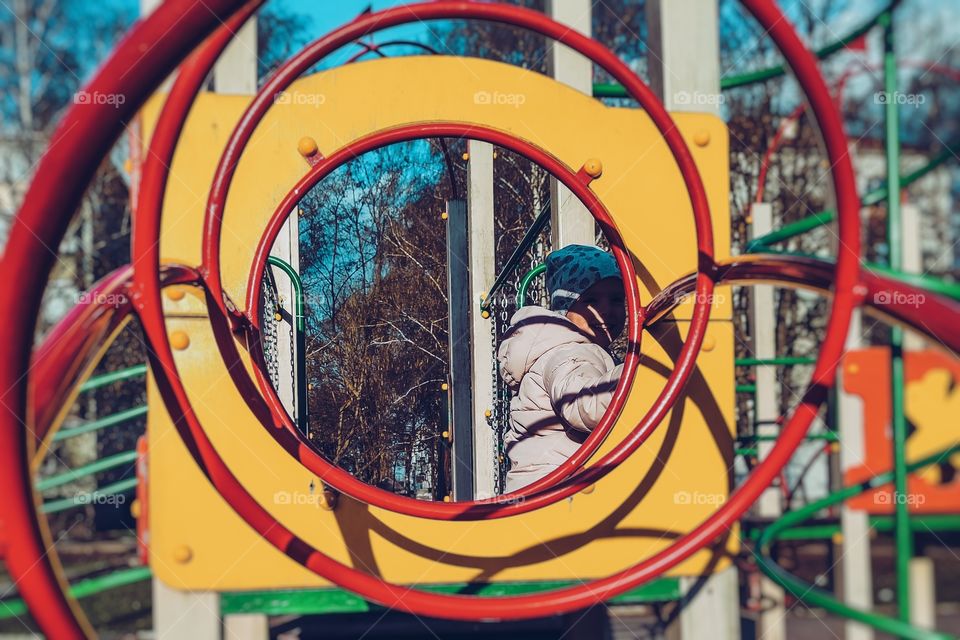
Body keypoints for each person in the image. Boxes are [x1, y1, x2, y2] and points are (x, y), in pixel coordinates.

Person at [497, 244, 626, 492]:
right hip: (559, 492)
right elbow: (582, 404)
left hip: (540, 488)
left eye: (616, 299)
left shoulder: (566, 347)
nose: (606, 310)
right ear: (564, 307)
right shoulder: (567, 352)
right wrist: (636, 373)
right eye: (590, 300)